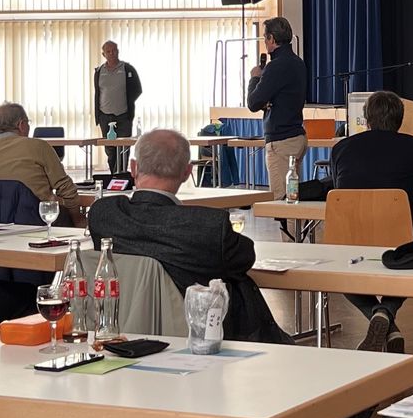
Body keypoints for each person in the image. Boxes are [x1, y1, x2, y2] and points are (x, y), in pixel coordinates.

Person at [87, 128, 289, 344]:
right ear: (187, 172)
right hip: (199, 340)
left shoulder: (104, 215)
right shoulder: (208, 226)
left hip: (119, 334)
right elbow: (244, 257)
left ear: (133, 168)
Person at [326, 89, 413, 352]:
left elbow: (339, 191)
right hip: (398, 240)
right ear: (400, 120)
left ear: (366, 119)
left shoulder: (341, 149)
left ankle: (382, 318)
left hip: (348, 242)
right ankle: (385, 312)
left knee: (343, 273)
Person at [0, 101, 80, 214]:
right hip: (36, 220)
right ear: (21, 125)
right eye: (28, 123)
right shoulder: (39, 147)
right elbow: (66, 189)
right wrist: (78, 219)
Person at [246, 17, 307, 201]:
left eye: (265, 38)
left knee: (282, 200)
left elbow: (253, 103)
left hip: (281, 142)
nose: (265, 43)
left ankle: (285, 222)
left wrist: (255, 78)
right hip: (297, 136)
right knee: (293, 196)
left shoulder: (275, 67)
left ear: (272, 38)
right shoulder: (298, 63)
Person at [92, 40, 143, 176]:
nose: (112, 53)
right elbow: (98, 92)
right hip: (104, 115)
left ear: (118, 51)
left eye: (114, 50)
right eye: (108, 51)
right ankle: (113, 175)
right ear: (104, 54)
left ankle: (121, 174)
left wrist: (126, 101)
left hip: (123, 115)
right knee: (110, 149)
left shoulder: (127, 69)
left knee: (124, 147)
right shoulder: (99, 71)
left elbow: (137, 89)